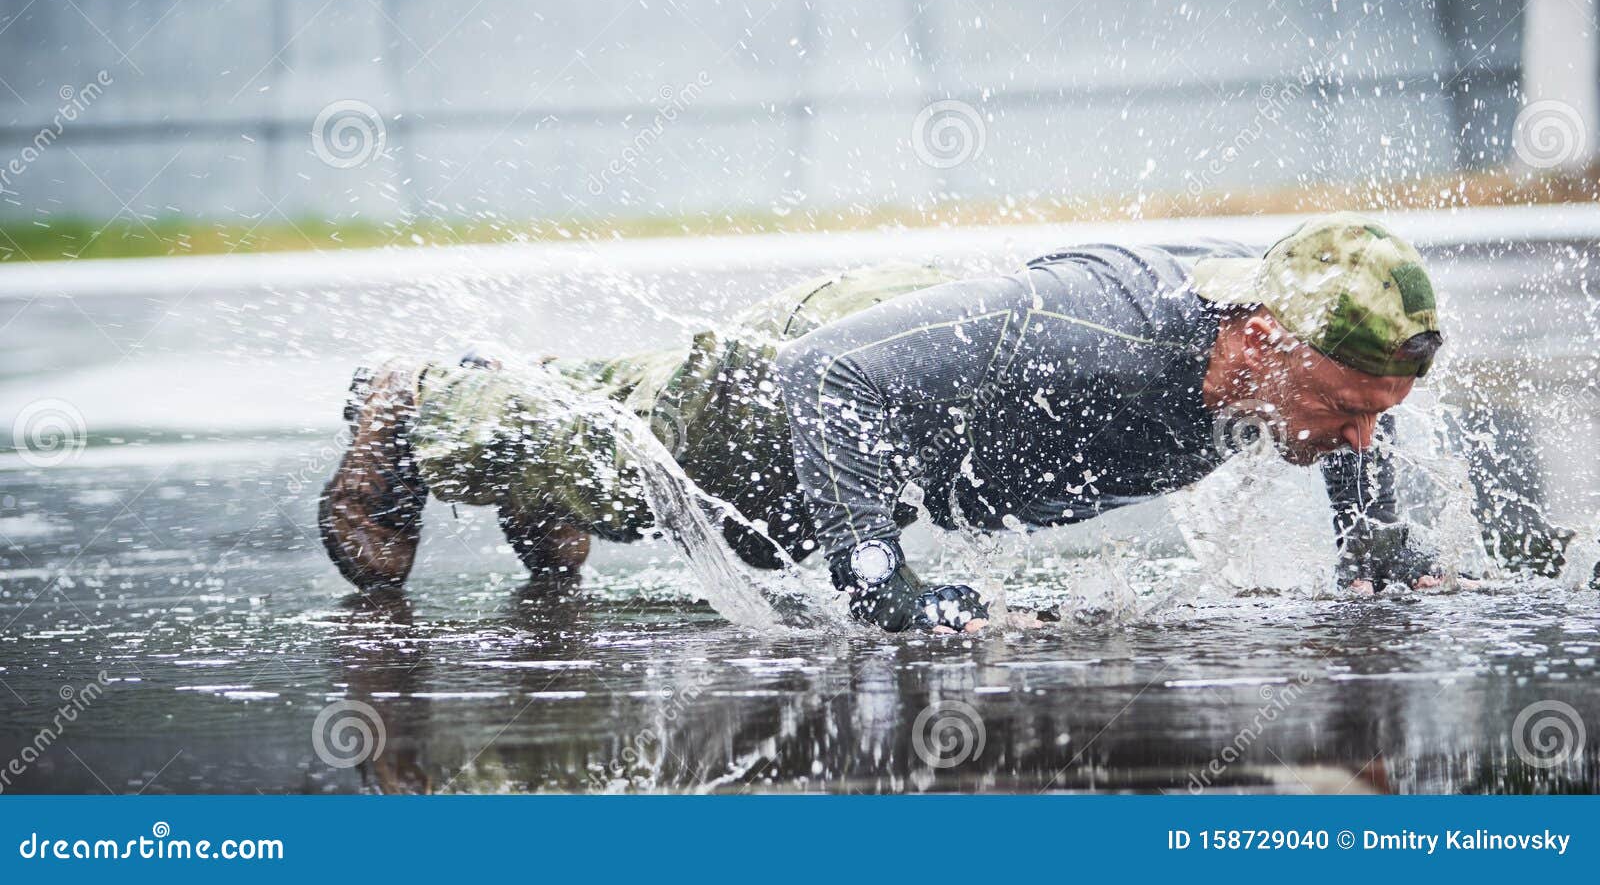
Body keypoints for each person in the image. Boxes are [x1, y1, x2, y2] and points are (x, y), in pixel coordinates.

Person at [318, 212, 1448, 632]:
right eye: (1343, 413)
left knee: (646, 434)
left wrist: (1379, 551)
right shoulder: (1085, 328)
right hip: (836, 366)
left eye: (1373, 417)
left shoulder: (1302, 347)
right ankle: (417, 405)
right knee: (693, 484)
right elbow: (827, 376)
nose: (1356, 439)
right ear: (1256, 340)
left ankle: (537, 434)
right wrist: (876, 574)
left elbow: (1366, 406)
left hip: (902, 372)